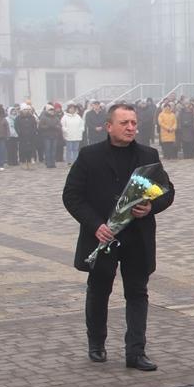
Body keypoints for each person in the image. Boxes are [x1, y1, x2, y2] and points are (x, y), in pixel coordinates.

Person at [62, 103, 174, 371]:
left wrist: (151, 207)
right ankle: (96, 343)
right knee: (99, 290)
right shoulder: (90, 156)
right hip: (103, 237)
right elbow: (71, 196)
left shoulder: (148, 154)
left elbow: (167, 192)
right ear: (108, 126)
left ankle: (136, 352)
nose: (130, 127)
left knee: (137, 292)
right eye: (124, 123)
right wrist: (95, 224)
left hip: (138, 237)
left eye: (133, 123)